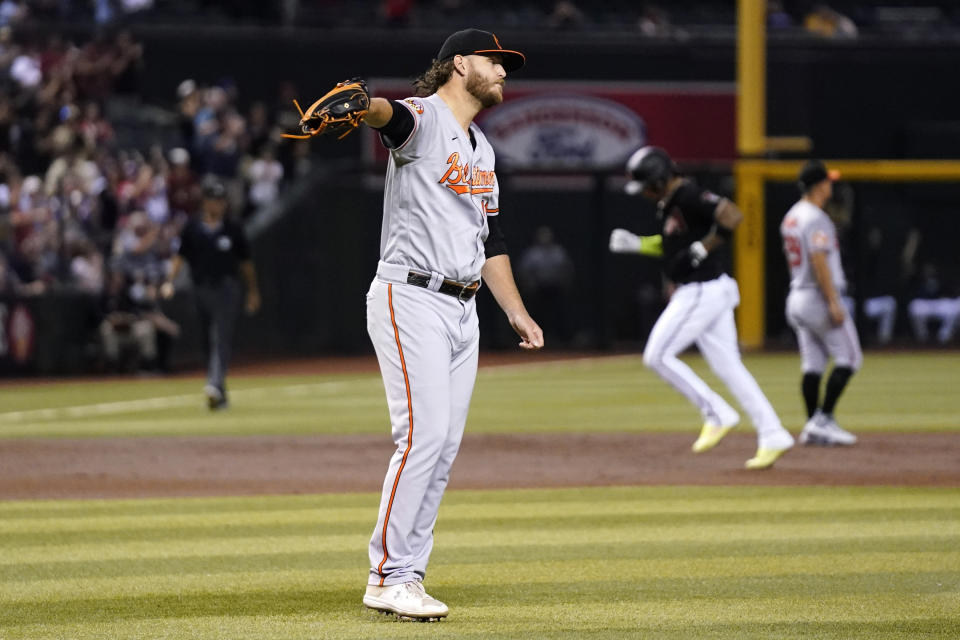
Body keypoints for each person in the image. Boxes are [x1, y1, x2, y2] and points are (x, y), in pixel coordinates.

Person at [349, 28, 543, 620]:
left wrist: (515, 309)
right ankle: (385, 575)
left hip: (464, 308)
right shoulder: (424, 119)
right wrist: (366, 106)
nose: (504, 72)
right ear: (459, 64)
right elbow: (391, 121)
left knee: (444, 448)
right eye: (495, 61)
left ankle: (408, 573)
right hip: (411, 297)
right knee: (423, 437)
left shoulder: (481, 148)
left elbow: (492, 240)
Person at [609, 146, 794, 470]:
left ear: (661, 178)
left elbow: (732, 215)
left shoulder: (688, 194)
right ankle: (773, 433)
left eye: (648, 186)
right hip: (707, 290)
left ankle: (716, 412)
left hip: (701, 290)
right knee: (729, 368)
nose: (646, 194)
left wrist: (703, 248)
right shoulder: (669, 203)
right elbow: (672, 247)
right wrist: (638, 244)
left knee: (657, 356)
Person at [780, 160, 861, 446]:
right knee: (850, 359)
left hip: (797, 296)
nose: (831, 185)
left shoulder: (791, 216)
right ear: (819, 185)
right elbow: (818, 260)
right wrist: (834, 302)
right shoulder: (815, 217)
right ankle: (823, 419)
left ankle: (812, 424)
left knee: (812, 364)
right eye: (828, 181)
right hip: (817, 296)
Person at [161, 176, 260, 409]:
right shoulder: (193, 227)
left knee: (221, 336)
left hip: (227, 288)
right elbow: (180, 256)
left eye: (221, 200)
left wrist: (253, 291)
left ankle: (214, 383)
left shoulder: (233, 227)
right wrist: (169, 281)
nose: (218, 204)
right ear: (205, 202)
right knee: (207, 339)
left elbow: (246, 263)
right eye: (214, 200)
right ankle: (220, 393)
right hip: (200, 287)